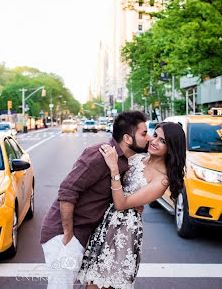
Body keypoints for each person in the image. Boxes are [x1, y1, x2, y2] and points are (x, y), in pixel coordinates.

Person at [40, 110, 150, 288]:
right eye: (144, 134)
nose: (149, 138)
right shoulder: (99, 155)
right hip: (63, 235)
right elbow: (67, 191)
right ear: (128, 139)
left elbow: (110, 195)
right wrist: (68, 234)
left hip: (84, 235)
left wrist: (133, 202)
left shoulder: (121, 162)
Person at [77, 122, 186, 289]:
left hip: (123, 231)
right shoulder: (136, 158)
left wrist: (114, 168)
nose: (154, 141)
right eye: (155, 135)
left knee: (104, 284)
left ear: (171, 148)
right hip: (104, 223)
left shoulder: (162, 179)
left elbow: (121, 204)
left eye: (163, 141)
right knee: (92, 281)